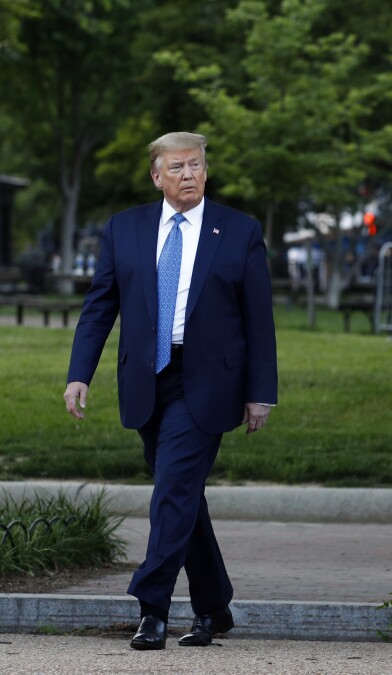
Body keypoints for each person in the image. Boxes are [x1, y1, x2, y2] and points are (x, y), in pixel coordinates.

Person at [63, 131, 278, 651]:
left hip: (208, 381)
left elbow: (259, 320)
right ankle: (214, 606)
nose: (189, 175)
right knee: (183, 498)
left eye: (197, 166)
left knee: (172, 491)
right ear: (157, 176)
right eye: (178, 167)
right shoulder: (125, 229)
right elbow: (100, 307)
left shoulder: (240, 231)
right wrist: (79, 373)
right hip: (146, 378)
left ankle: (151, 605)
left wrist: (260, 392)